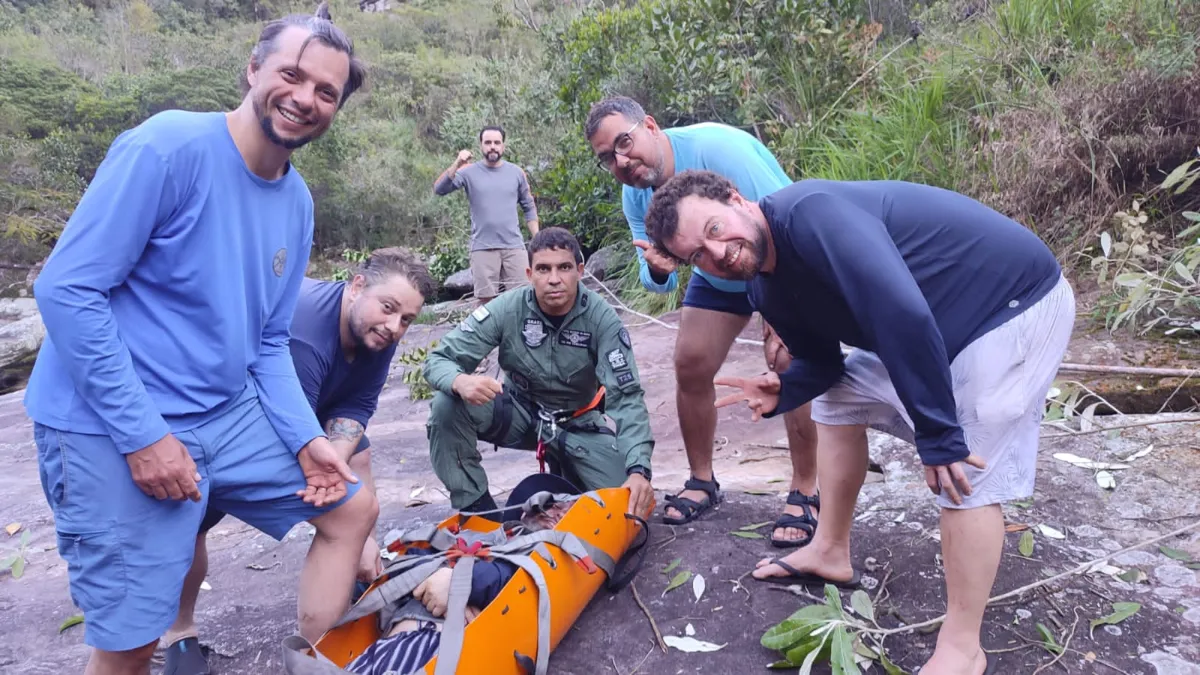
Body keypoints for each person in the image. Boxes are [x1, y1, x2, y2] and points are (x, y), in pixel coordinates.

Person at [24, 7, 377, 674]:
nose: (305, 98)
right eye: (292, 75)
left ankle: (320, 661)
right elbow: (67, 290)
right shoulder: (168, 149)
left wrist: (309, 441)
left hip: (222, 408)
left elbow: (270, 341)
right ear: (252, 69)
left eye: (325, 91)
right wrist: (143, 436)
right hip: (107, 420)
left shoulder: (296, 201)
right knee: (132, 637)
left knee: (349, 508)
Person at [644, 171, 1075, 675]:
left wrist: (937, 436)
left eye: (714, 230)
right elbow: (826, 366)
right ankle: (829, 548)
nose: (716, 254)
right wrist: (788, 387)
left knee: (964, 463)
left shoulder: (812, 214)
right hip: (940, 327)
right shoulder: (764, 288)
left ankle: (963, 646)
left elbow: (901, 313)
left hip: (1011, 303)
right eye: (697, 254)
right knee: (835, 399)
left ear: (737, 200)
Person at [161, 248, 435, 675]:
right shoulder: (306, 330)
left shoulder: (375, 332)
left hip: (298, 419)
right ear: (357, 285)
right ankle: (178, 634)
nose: (395, 327)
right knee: (194, 520)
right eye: (389, 309)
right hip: (226, 418)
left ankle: (326, 636)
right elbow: (288, 421)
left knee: (356, 488)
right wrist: (326, 479)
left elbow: (356, 408)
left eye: (407, 320)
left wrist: (336, 469)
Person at [585, 96, 819, 547]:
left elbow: (786, 219)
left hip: (776, 260)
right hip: (716, 273)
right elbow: (656, 284)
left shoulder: (719, 150)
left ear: (650, 126)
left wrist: (781, 312)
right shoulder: (635, 193)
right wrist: (658, 268)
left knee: (790, 362)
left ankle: (807, 489)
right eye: (606, 158)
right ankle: (702, 479)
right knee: (690, 363)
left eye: (625, 143)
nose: (620, 160)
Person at [422, 227, 655, 520]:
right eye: (544, 269)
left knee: (630, 510)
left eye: (564, 268)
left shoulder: (602, 319)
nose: (554, 279)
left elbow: (627, 398)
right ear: (530, 273)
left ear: (580, 270)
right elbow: (439, 359)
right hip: (519, 414)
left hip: (578, 422)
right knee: (447, 404)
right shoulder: (507, 309)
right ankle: (478, 511)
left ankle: (572, 469)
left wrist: (638, 469)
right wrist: (460, 380)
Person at [344, 473, 579, 675]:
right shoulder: (470, 536)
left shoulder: (545, 558)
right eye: (549, 506)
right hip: (396, 645)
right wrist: (440, 578)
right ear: (523, 513)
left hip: (435, 647)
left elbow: (516, 578)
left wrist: (462, 584)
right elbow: (412, 558)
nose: (555, 514)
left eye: (564, 510)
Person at [433, 125, 540, 305]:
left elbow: (529, 206)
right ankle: (489, 334)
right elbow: (440, 189)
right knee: (486, 303)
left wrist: (538, 239)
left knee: (523, 298)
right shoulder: (467, 171)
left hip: (514, 246)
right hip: (482, 247)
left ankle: (517, 333)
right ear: (481, 146)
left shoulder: (516, 172)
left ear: (503, 146)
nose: (492, 146)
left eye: (497, 142)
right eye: (488, 142)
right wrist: (458, 163)